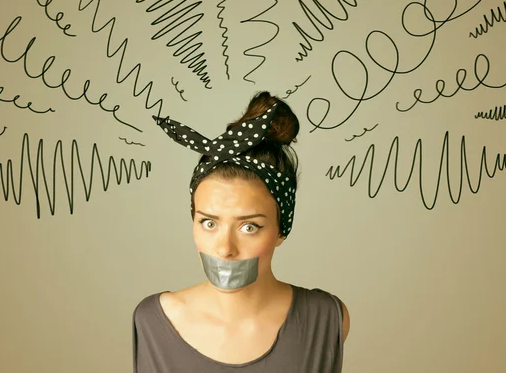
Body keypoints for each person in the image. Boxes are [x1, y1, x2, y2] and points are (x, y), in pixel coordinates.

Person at [132, 91, 350, 372]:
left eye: (249, 227)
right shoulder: (152, 321)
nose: (225, 249)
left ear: (282, 229)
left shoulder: (327, 318)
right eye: (209, 223)